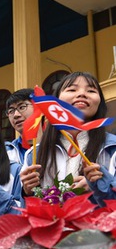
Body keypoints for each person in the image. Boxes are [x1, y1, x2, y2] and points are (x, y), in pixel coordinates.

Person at [20, 72, 116, 206]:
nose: (82, 94)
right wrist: (27, 192)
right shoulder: (34, 154)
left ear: (100, 102)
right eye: (72, 89)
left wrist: (100, 187)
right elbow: (26, 210)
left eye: (91, 90)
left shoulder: (113, 148)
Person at [4, 88, 35, 164]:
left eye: (22, 107)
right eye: (11, 111)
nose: (16, 115)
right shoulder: (6, 152)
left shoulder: (58, 143)